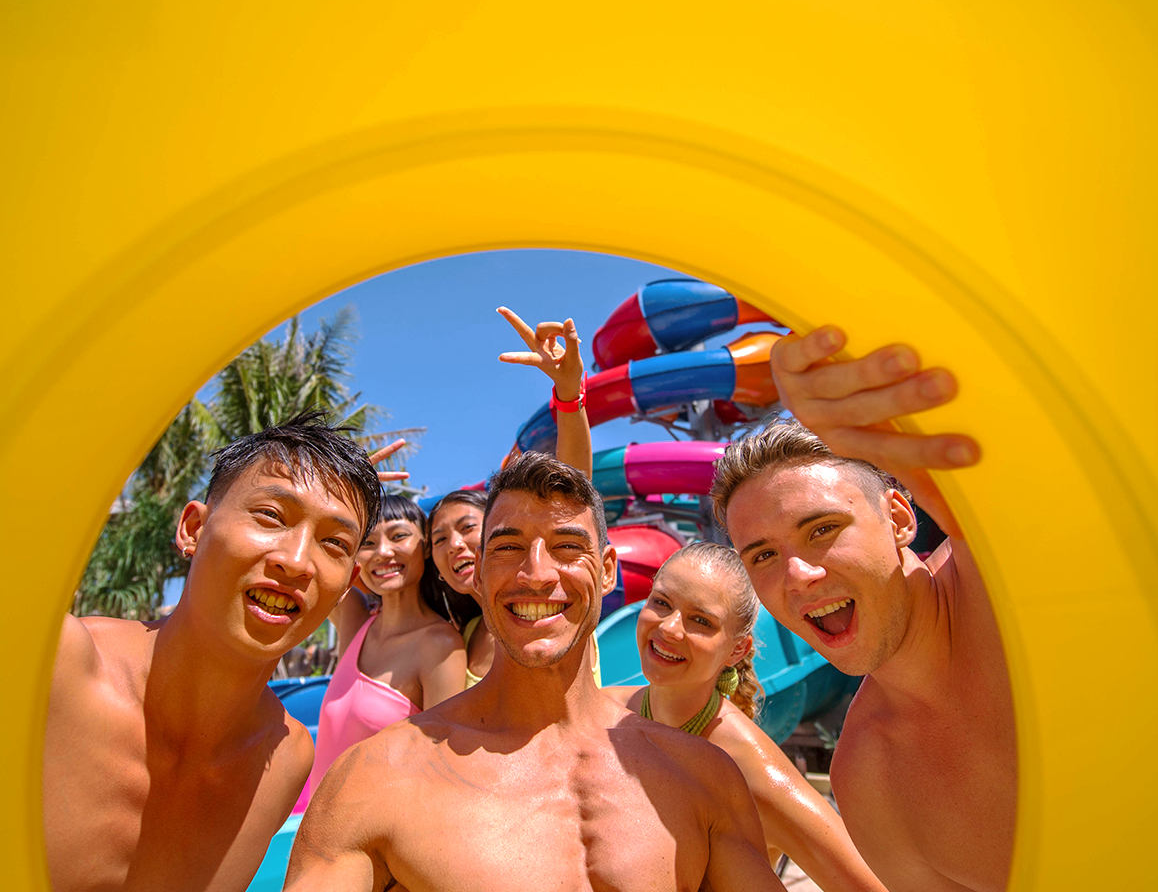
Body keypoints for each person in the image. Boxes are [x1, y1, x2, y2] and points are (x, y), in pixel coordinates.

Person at [284, 453, 784, 892]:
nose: (538, 573)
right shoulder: (377, 780)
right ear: (476, 573)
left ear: (607, 569)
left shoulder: (701, 776)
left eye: (568, 546)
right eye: (507, 547)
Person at [711, 326, 1016, 892]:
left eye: (822, 529)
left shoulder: (1010, 582)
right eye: (763, 555)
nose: (797, 575)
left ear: (900, 519)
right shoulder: (869, 776)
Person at [43, 412, 383, 892]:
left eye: (334, 542)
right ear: (193, 529)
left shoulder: (284, 755)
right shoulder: (60, 669)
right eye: (271, 516)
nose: (296, 560)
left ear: (347, 585)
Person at [605, 542, 888, 892]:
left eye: (700, 621)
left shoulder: (750, 770)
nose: (670, 629)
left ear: (737, 649)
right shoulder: (602, 718)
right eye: (661, 603)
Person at [427, 305, 599, 686]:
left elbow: (573, 495)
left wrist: (570, 395)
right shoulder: (462, 636)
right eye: (439, 539)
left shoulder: (559, 601)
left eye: (467, 527)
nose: (455, 545)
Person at [294, 494, 466, 811]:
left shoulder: (440, 646)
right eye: (369, 543)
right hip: (316, 833)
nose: (383, 552)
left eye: (399, 536)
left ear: (426, 547)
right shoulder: (356, 619)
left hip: (375, 848)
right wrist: (347, 491)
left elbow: (443, 771)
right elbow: (314, 553)